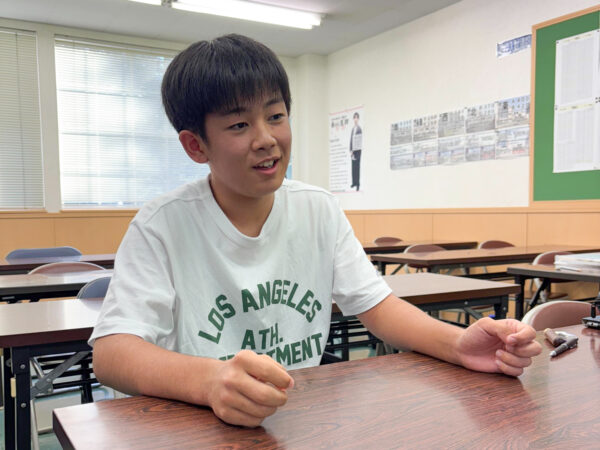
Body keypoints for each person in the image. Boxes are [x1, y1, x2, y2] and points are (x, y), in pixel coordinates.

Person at [91, 34, 542, 428]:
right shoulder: (162, 225)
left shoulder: (318, 209)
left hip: (294, 418)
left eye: (275, 116)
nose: (266, 138)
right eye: (239, 125)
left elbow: (377, 306)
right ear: (195, 145)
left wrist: (458, 344)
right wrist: (210, 381)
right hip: (193, 423)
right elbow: (112, 354)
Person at [349, 112, 362, 191]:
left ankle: (358, 184)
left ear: (358, 119)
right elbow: (351, 140)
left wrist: (354, 150)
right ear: (353, 119)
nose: (355, 119)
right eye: (354, 118)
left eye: (357, 118)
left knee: (357, 167)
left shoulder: (359, 129)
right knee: (353, 167)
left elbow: (359, 141)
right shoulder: (353, 129)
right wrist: (350, 150)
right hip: (353, 151)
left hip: (357, 151)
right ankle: (354, 182)